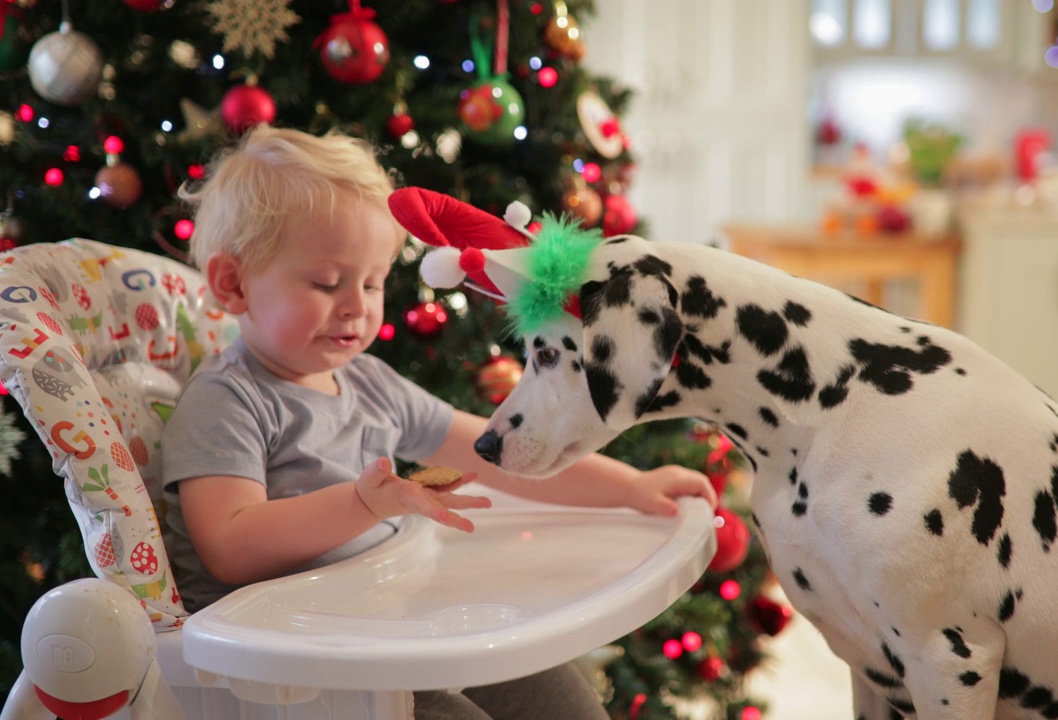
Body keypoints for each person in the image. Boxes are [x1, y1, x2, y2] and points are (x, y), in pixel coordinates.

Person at [162, 125, 715, 720]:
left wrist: (630, 488)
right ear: (233, 283)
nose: (357, 304)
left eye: (372, 282)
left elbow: (495, 452)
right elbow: (229, 547)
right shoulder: (227, 401)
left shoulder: (370, 382)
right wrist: (362, 504)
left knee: (551, 689)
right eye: (326, 282)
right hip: (291, 667)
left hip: (379, 620)